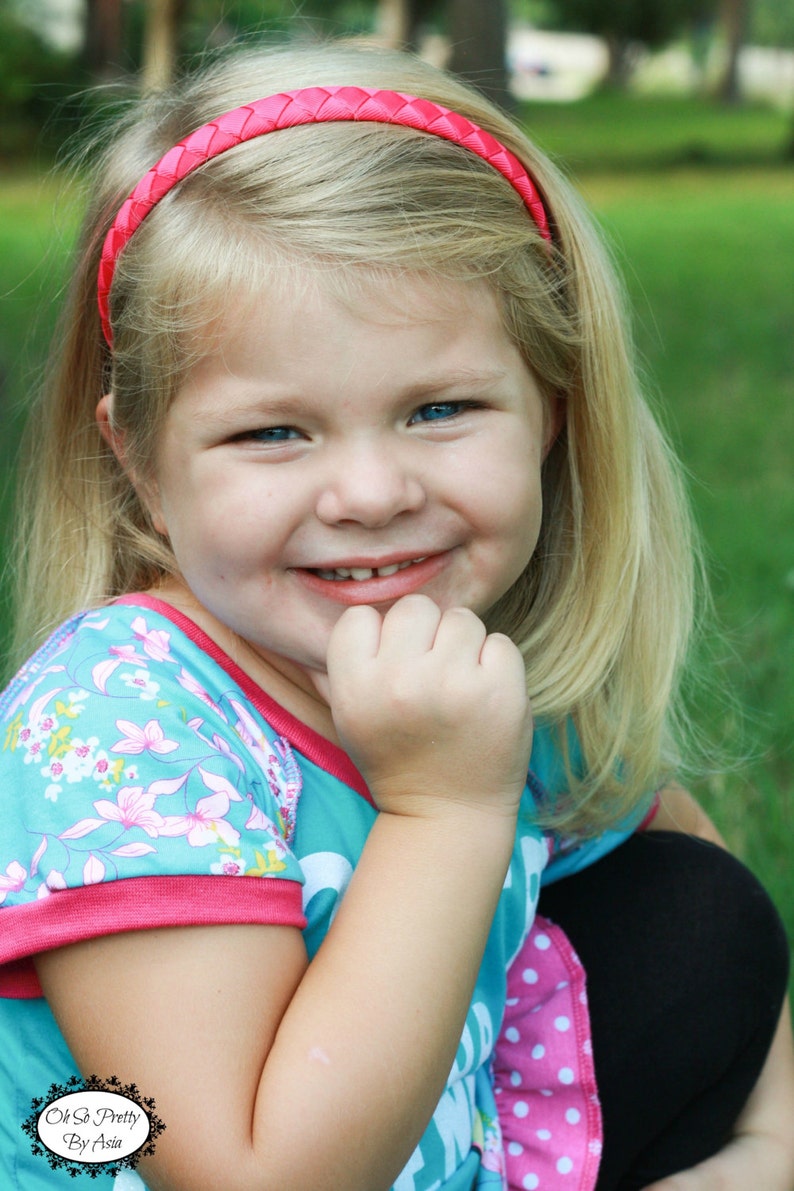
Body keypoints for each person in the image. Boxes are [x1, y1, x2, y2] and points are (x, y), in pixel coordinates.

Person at [0, 42, 790, 1191]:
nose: (371, 496)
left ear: (551, 415)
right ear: (140, 466)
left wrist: (764, 1155)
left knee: (687, 909)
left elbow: (706, 901)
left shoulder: (464, 666)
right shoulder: (120, 719)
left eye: (439, 408)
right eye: (272, 432)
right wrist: (443, 810)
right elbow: (250, 1177)